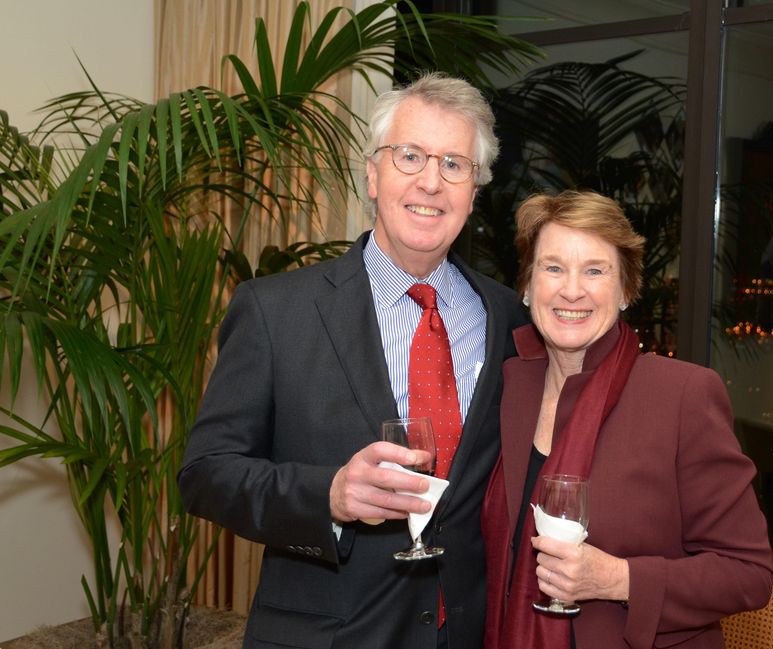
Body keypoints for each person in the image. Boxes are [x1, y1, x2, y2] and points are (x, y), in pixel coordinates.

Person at [178, 73, 527, 649]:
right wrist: (330, 496)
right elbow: (206, 475)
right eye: (410, 155)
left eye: (454, 165)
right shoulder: (274, 311)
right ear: (372, 173)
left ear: (474, 190)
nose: (430, 182)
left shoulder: (509, 318)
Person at [482, 190, 773, 649]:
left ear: (625, 290)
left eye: (595, 271)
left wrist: (619, 579)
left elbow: (749, 573)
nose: (571, 289)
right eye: (553, 267)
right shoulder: (505, 387)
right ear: (526, 285)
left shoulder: (682, 395)